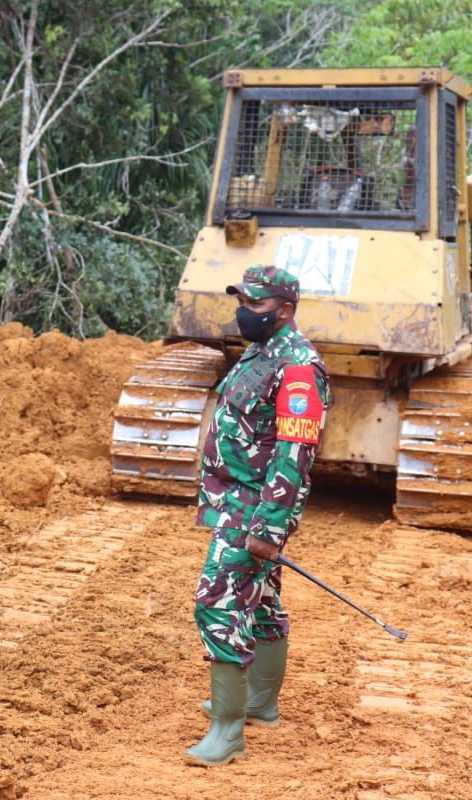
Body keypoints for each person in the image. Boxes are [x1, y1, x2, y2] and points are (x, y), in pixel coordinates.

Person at [186, 265, 329, 766]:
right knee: (261, 600)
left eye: (256, 304)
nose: (243, 312)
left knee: (218, 602)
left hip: (254, 509)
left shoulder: (298, 368)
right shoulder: (262, 352)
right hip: (236, 500)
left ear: (284, 311)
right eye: (242, 301)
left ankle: (227, 732)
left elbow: (295, 454)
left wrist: (268, 527)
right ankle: (260, 704)